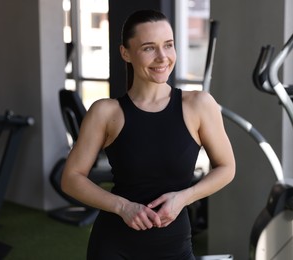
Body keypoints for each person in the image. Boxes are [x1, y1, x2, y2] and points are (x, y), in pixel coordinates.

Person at [61, 9, 236, 260]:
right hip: (115, 246)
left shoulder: (199, 105)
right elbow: (71, 178)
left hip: (174, 245)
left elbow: (227, 167)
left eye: (168, 45)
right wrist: (123, 207)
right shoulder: (105, 112)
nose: (162, 57)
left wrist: (184, 197)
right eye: (148, 48)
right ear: (126, 53)